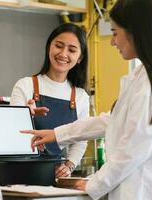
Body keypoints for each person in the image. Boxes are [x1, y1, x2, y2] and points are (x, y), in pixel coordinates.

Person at [21, 0, 152, 199]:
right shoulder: (148, 76)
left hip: (144, 191)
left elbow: (132, 152)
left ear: (134, 32)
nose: (112, 41)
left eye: (115, 32)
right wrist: (57, 134)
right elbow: (112, 120)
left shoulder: (151, 84)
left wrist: (93, 184)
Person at [10, 23, 90, 177]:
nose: (63, 54)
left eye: (72, 50)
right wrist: (25, 116)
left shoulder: (80, 97)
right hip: (20, 173)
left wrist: (69, 166)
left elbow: (81, 138)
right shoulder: (25, 85)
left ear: (79, 58)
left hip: (56, 176)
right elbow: (13, 134)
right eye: (59, 46)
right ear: (49, 48)